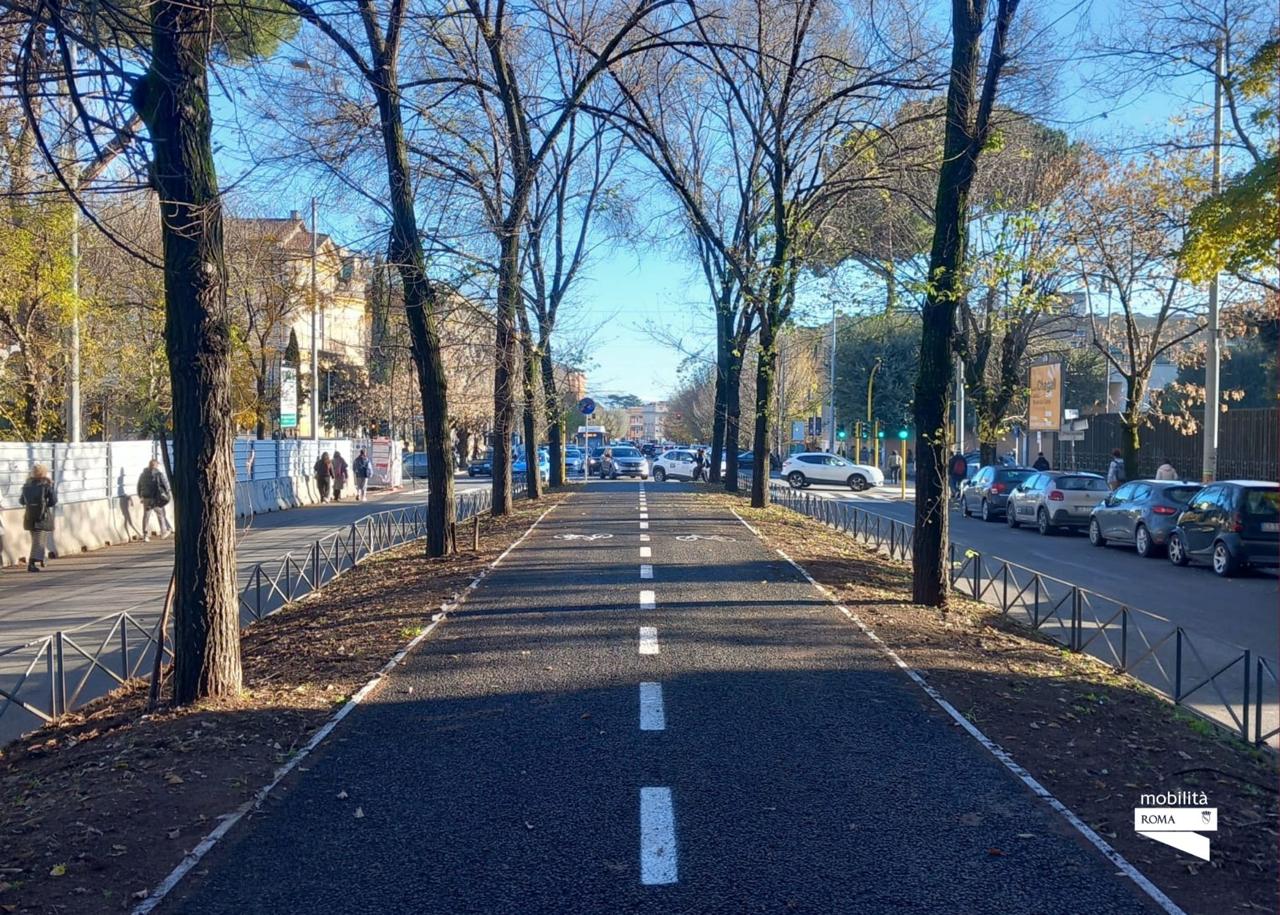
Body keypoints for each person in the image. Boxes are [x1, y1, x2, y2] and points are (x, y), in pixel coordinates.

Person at [20, 464, 57, 573]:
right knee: (39, 541)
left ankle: (41, 558)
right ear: (44, 473)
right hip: (42, 516)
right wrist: (46, 504)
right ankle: (31, 563)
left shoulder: (26, 486)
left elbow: (21, 501)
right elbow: (53, 500)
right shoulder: (46, 485)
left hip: (29, 516)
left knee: (37, 539)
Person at [137, 458, 173, 542]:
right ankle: (163, 532)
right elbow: (165, 484)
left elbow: (139, 486)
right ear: (156, 465)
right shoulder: (159, 474)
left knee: (146, 516)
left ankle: (145, 535)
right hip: (156, 498)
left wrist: (140, 496)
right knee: (161, 514)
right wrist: (168, 493)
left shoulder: (143, 474)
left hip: (146, 498)